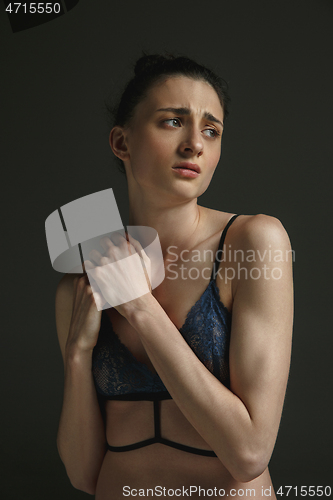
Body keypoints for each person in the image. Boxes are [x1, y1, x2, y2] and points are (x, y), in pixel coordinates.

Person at [55, 54, 294, 499]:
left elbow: (249, 454)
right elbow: (83, 474)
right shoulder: (83, 280)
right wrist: (77, 355)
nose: (195, 145)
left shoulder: (253, 242)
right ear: (121, 143)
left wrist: (141, 308)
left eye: (211, 130)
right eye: (172, 122)